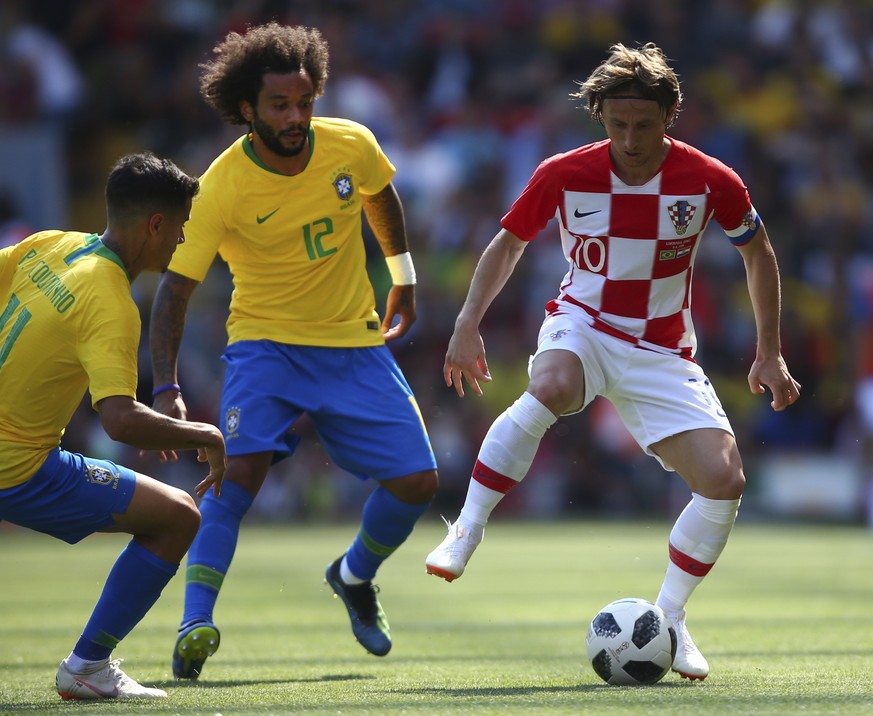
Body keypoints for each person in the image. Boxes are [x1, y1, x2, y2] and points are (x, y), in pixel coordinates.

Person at [425, 42, 801, 681]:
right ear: (599, 115)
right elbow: (507, 244)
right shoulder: (563, 172)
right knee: (551, 383)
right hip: (583, 324)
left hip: (661, 348)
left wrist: (770, 351)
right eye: (617, 123)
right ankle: (467, 527)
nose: (630, 138)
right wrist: (466, 324)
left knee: (724, 480)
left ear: (670, 116)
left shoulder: (711, 180)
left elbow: (758, 253)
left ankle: (670, 619)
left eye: (644, 125)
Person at [149, 23, 438, 679]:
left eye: (303, 102)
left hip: (352, 343)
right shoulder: (220, 186)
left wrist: (404, 277)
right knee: (236, 475)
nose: (295, 117)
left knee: (418, 481)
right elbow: (173, 291)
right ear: (245, 108)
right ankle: (195, 621)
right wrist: (165, 387)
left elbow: (378, 194)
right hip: (265, 348)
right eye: (279, 105)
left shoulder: (349, 144)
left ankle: (353, 575)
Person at [0, 152, 227, 700]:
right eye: (179, 227)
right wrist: (208, 435)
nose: (180, 241)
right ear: (155, 224)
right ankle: (87, 667)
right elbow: (121, 420)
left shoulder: (51, 245)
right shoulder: (111, 298)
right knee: (178, 518)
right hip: (17, 467)